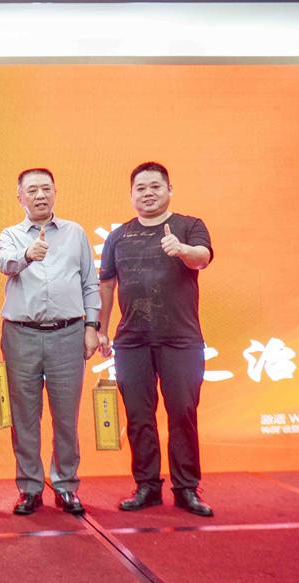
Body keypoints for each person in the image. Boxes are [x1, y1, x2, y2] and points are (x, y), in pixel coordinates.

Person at [97, 161, 214, 517]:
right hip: (132, 341)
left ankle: (186, 487)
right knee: (138, 416)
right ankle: (146, 485)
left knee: (182, 412)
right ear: (131, 194)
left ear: (169, 189)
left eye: (155, 186)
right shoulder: (118, 236)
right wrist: (101, 329)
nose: (148, 193)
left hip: (181, 339)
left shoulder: (189, 226)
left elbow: (203, 258)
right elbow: (107, 285)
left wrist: (181, 249)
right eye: (141, 188)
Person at [0, 168, 100, 516]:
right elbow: (4, 264)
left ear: (55, 192)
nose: (40, 195)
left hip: (68, 333)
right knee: (24, 416)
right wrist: (28, 255)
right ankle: (29, 487)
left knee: (66, 416)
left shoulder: (75, 233)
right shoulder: (10, 235)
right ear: (20, 198)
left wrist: (92, 326)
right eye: (32, 190)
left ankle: (66, 485)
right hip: (21, 335)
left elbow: (90, 283)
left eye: (45, 189)